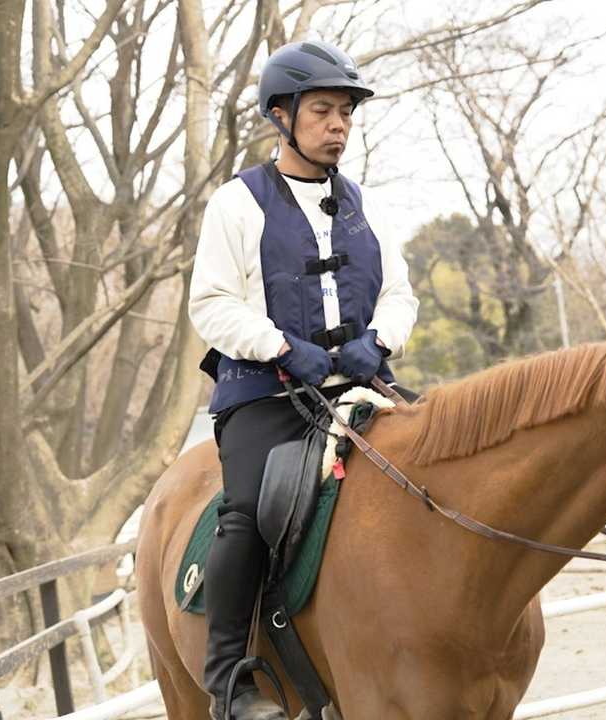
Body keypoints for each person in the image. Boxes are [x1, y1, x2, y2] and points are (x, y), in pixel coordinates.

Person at [187, 39, 419, 720]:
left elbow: (399, 295)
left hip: (357, 385)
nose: (339, 123)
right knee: (250, 511)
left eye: (346, 111)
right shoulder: (237, 205)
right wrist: (282, 346)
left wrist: (377, 341)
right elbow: (211, 304)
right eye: (323, 110)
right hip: (264, 395)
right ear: (281, 116)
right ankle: (230, 683)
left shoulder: (367, 204)